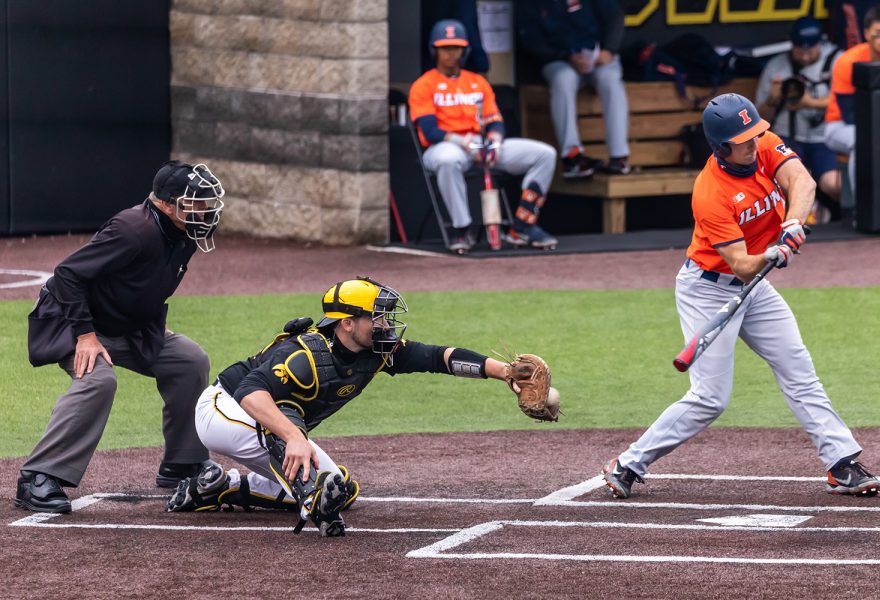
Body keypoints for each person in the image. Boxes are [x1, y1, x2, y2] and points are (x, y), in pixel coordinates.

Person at [601, 94, 880, 500]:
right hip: (709, 289)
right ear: (721, 148)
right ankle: (629, 462)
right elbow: (741, 264)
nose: (755, 143)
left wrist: (792, 223)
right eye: (745, 140)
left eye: (756, 135)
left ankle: (841, 463)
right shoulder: (709, 192)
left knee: (797, 367)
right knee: (711, 397)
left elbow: (803, 180)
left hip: (755, 289)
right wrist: (774, 252)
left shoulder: (761, 143)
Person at [164, 277, 556, 537]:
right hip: (224, 412)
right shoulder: (304, 356)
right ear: (347, 323)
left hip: (268, 419)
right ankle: (309, 497)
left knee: (341, 490)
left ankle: (221, 487)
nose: (386, 325)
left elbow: (439, 357)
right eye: (377, 317)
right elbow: (251, 392)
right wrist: (291, 436)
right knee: (311, 475)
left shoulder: (377, 350)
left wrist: (505, 372)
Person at [15, 160, 226, 514]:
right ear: (165, 203)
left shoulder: (185, 233)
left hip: (126, 326)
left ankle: (182, 462)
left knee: (189, 359)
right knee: (98, 380)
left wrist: (152, 323)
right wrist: (85, 335)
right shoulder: (133, 229)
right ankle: (38, 476)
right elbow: (67, 275)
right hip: (71, 320)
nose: (204, 209)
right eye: (196, 202)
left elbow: (141, 284)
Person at [409, 19, 559, 253]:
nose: (451, 53)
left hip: (482, 145)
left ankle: (522, 226)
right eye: (445, 48)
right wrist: (463, 142)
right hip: (446, 147)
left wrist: (495, 142)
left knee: (544, 154)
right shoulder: (423, 85)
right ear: (434, 50)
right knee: (449, 160)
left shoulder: (477, 82)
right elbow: (429, 131)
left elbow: (494, 120)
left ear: (464, 50)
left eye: (455, 48)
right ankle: (462, 228)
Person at [518, 0, 631, 178]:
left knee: (609, 79)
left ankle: (619, 156)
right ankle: (573, 157)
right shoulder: (533, 5)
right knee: (563, 79)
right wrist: (565, 56)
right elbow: (531, 40)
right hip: (561, 60)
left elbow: (614, 17)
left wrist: (609, 49)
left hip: (597, 57)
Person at [755, 16, 842, 224]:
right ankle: (799, 217)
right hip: (788, 136)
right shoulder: (777, 66)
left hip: (825, 137)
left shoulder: (838, 60)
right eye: (799, 49)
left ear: (820, 43)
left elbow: (849, 102)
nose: (804, 54)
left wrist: (809, 102)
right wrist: (772, 99)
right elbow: (760, 120)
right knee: (783, 183)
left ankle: (839, 213)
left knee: (833, 184)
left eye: (810, 48)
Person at [824, 6, 880, 204]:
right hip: (841, 126)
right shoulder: (848, 61)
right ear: (866, 33)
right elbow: (849, 113)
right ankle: (863, 207)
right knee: (864, 141)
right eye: (878, 33)